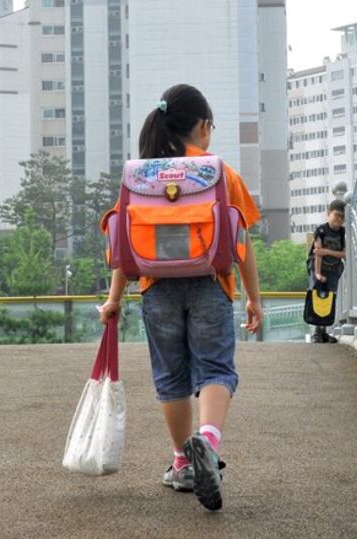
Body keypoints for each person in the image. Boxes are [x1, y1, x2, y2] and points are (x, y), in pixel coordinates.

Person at [99, 84, 263, 512]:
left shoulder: (140, 175)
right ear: (204, 127)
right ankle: (207, 442)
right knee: (216, 369)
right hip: (211, 282)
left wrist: (114, 299)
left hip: (156, 289)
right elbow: (242, 242)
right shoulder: (219, 173)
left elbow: (124, 245)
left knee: (171, 377)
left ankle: (181, 465)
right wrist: (253, 299)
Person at [308, 200, 347, 344]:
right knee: (317, 297)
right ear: (328, 214)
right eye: (337, 215)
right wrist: (318, 274)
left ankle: (325, 331)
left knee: (330, 299)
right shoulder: (321, 231)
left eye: (342, 217)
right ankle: (317, 332)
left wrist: (327, 251)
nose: (339, 219)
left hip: (333, 269)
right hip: (318, 268)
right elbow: (318, 253)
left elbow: (345, 254)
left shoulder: (343, 232)